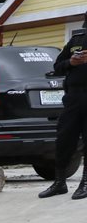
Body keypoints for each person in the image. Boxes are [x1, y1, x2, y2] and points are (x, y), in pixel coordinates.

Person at [39, 14, 87, 199]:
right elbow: (58, 65)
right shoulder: (77, 40)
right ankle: (60, 182)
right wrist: (71, 62)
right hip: (73, 97)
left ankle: (85, 182)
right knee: (64, 138)